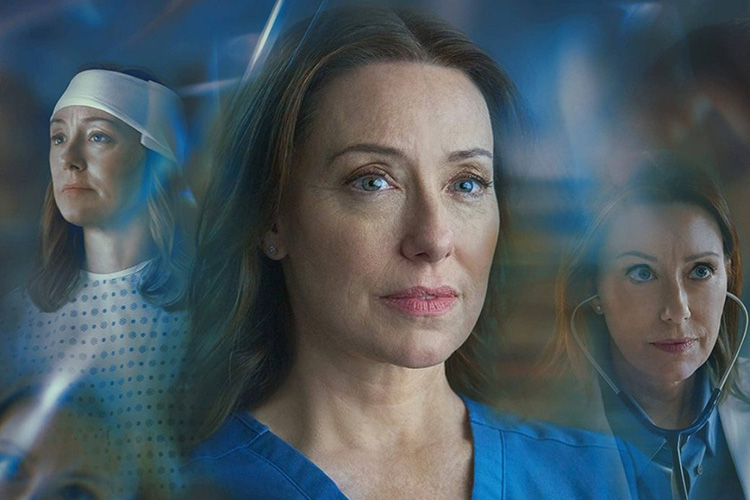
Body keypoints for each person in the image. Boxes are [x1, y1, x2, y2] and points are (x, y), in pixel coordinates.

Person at [181, 7, 645, 499]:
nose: (434, 239)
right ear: (273, 217)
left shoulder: (608, 481)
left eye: (466, 183)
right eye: (373, 182)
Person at [0, 65, 194, 496]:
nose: (69, 158)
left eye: (98, 136)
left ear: (157, 158)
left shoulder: (210, 311)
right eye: (58, 137)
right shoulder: (18, 313)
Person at [550, 158, 750, 499]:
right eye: (642, 273)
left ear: (728, 275)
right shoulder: (539, 442)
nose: (677, 311)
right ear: (594, 290)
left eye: (700, 270)